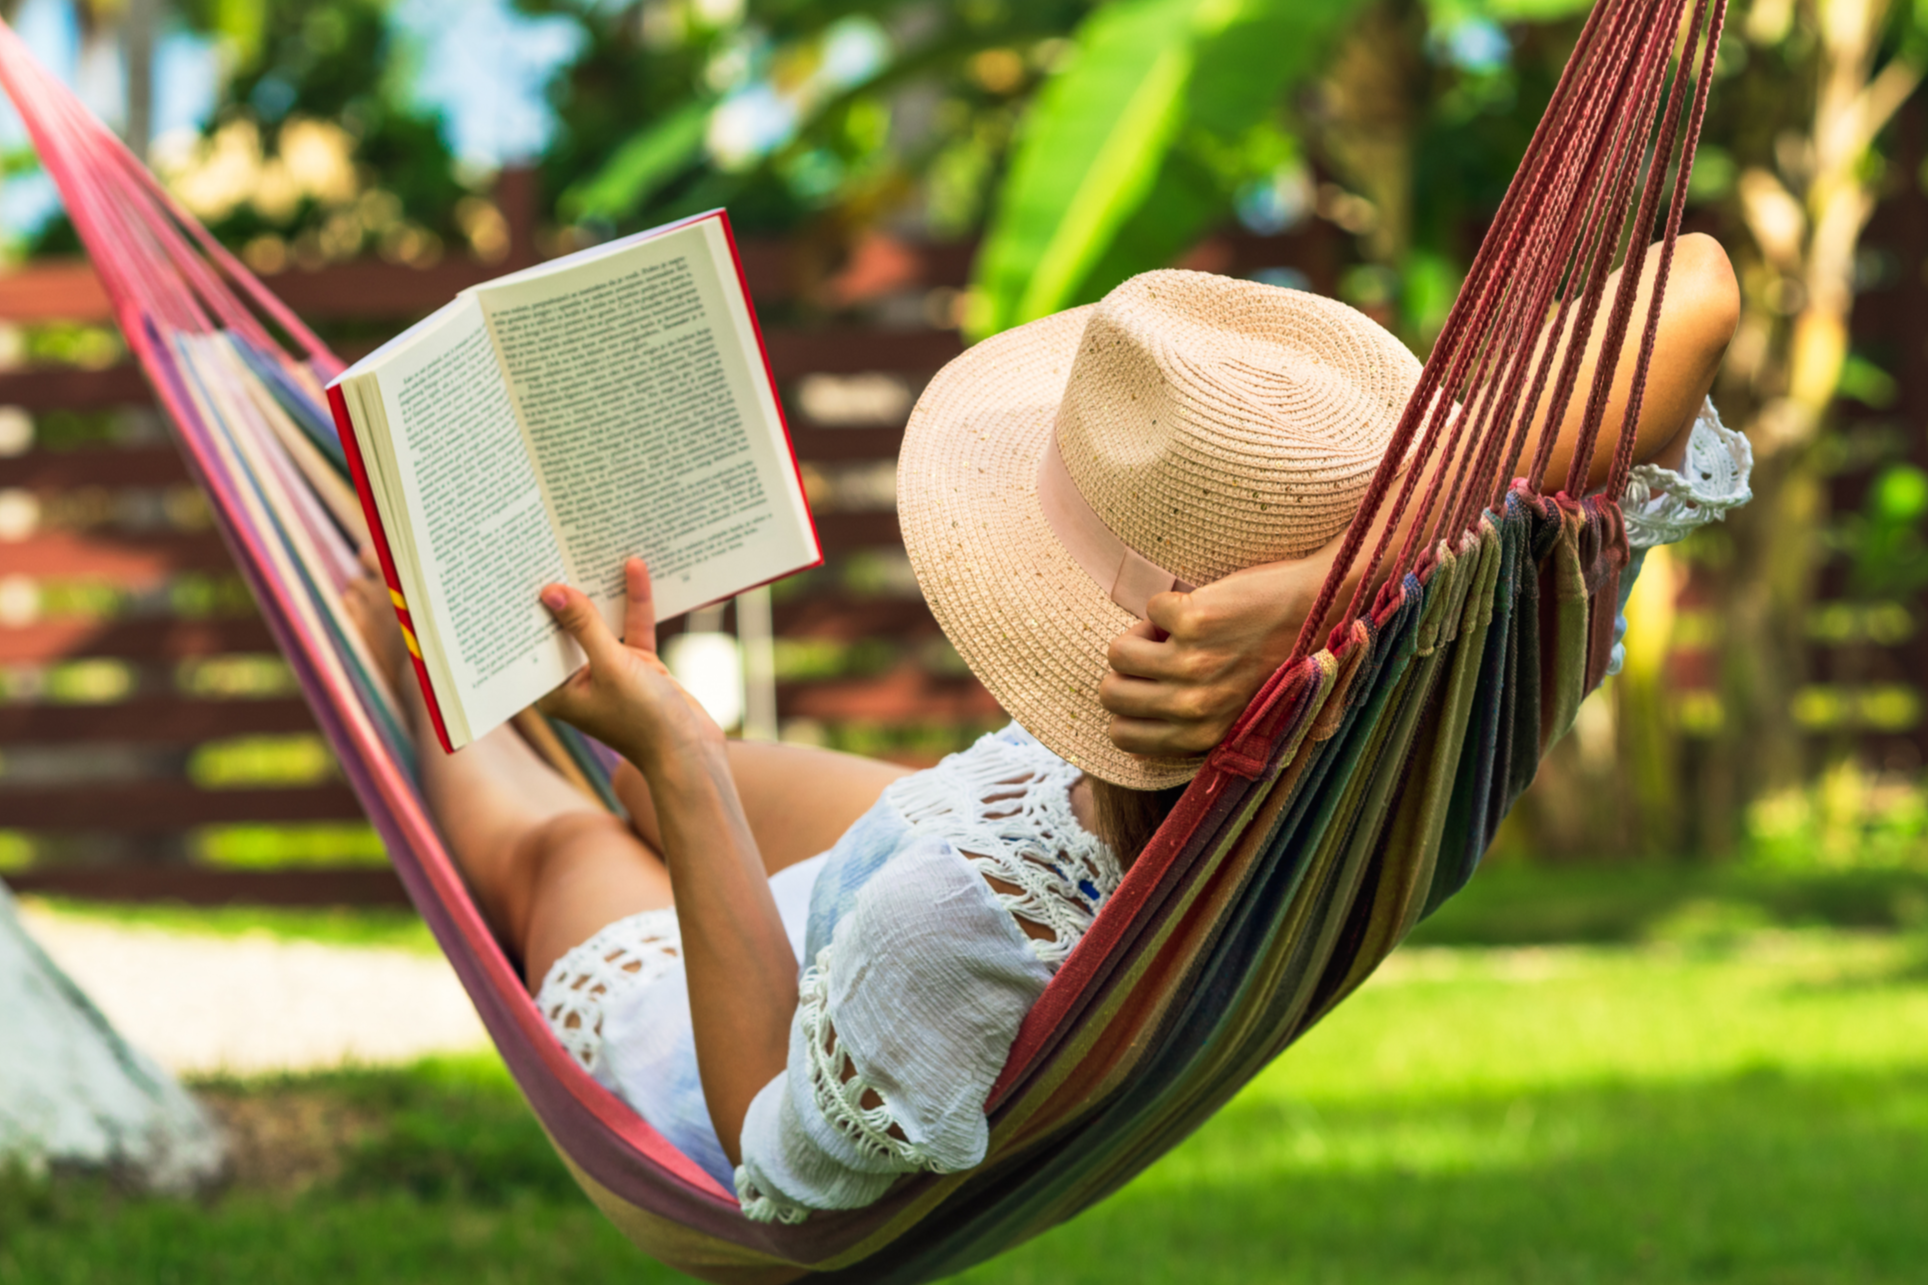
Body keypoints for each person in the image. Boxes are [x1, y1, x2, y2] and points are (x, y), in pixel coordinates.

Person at [345, 236, 1747, 1224]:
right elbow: (1699, 284)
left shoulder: (953, 932)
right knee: (634, 776)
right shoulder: (1454, 665)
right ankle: (577, 698)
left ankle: (399, 637)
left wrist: (682, 760)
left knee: (569, 842)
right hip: (992, 819)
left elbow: (775, 1163)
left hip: (760, 1022)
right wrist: (1338, 583)